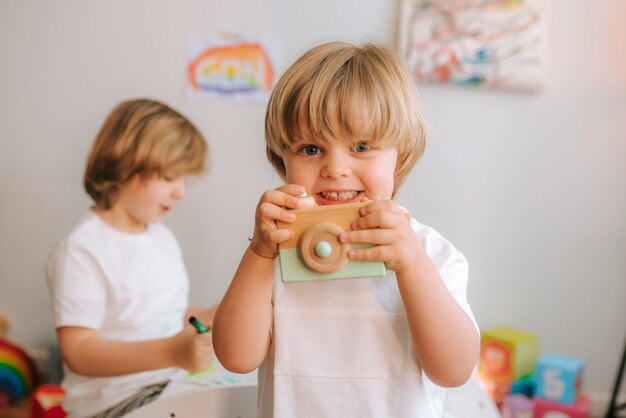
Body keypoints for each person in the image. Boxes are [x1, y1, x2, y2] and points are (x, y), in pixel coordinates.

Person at [212, 41, 480, 417]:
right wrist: (259, 252)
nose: (335, 168)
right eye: (310, 149)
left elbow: (454, 371)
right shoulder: (273, 251)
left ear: (399, 156)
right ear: (281, 158)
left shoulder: (431, 254)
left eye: (361, 145)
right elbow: (236, 358)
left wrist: (413, 266)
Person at [45, 98, 216, 418]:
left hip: (169, 384)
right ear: (125, 167)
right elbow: (79, 351)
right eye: (169, 178)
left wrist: (211, 316)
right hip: (115, 402)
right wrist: (173, 352)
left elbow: (162, 315)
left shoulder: (161, 237)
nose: (181, 191)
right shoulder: (82, 250)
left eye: (185, 180)